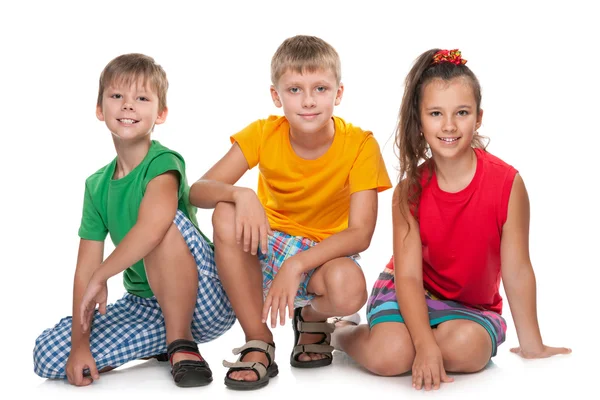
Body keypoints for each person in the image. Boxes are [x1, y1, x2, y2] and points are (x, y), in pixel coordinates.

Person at [331, 49, 571, 391]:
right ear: (420, 118)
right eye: (435, 113)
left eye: (461, 113)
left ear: (478, 117)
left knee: (469, 351)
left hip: (469, 307)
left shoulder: (507, 184)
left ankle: (420, 341)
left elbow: (517, 269)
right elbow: (410, 277)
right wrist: (425, 345)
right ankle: (341, 331)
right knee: (390, 357)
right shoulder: (408, 191)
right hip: (409, 291)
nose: (448, 125)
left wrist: (532, 345)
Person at [189, 35, 392, 390]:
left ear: (338, 94)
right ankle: (259, 340)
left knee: (350, 288)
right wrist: (240, 192)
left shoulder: (360, 144)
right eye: (295, 89)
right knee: (225, 209)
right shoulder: (264, 133)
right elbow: (199, 191)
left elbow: (360, 233)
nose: (309, 101)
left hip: (323, 254)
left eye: (320, 88)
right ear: (276, 96)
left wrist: (296, 265)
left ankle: (311, 318)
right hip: (268, 243)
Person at [33, 53, 235, 388]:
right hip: (145, 305)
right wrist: (81, 346)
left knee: (165, 227)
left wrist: (103, 275)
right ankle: (158, 343)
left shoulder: (163, 163)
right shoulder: (96, 185)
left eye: (142, 98)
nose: (128, 106)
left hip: (204, 297)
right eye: (117, 97)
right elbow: (85, 269)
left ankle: (182, 344)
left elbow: (154, 227)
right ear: (100, 109)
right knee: (49, 355)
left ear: (160, 113)